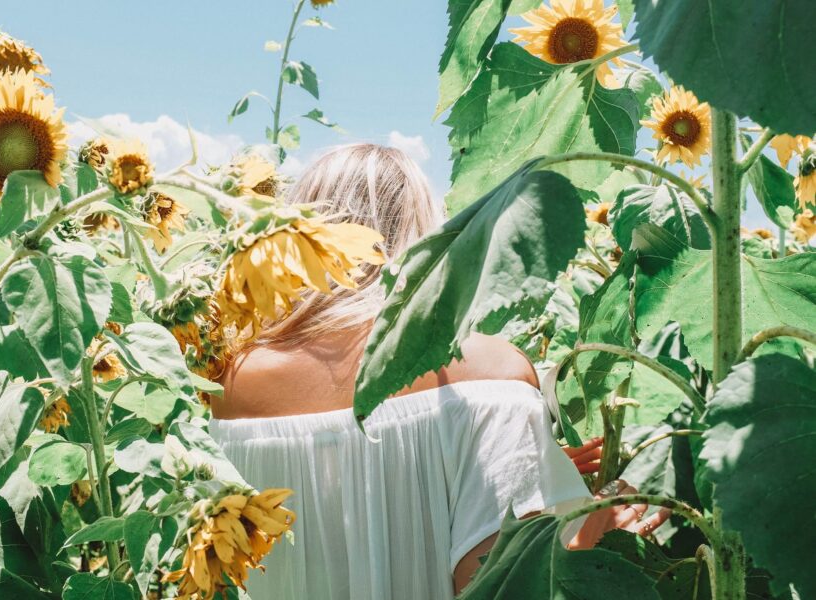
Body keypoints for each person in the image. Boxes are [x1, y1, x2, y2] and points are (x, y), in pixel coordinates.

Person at [210, 144, 667, 599]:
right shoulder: (489, 378)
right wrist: (598, 525)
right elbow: (498, 585)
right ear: (425, 238)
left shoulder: (218, 388)